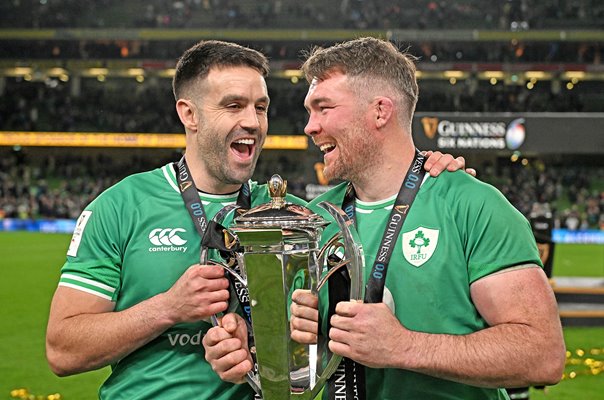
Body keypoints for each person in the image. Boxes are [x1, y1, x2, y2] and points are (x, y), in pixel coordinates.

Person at [45, 39, 468, 400]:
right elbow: (63, 350)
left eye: (260, 107)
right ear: (189, 114)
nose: (252, 122)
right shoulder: (121, 206)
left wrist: (433, 176)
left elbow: (383, 193)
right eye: (234, 105)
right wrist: (169, 308)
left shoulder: (294, 214)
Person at [203, 37, 566, 400]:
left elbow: (542, 354)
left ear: (380, 111)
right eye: (309, 111)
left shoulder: (472, 205)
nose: (310, 127)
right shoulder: (312, 221)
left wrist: (403, 346)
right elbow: (298, 359)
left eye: (324, 108)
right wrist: (247, 348)